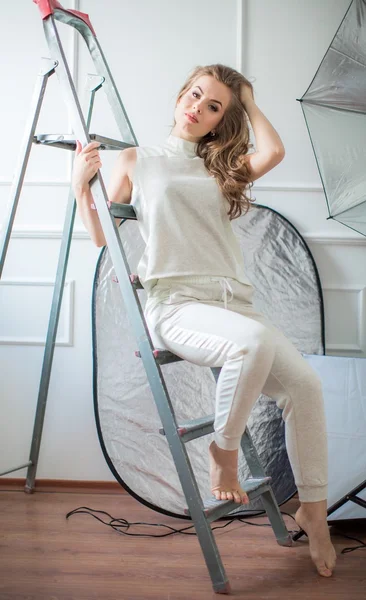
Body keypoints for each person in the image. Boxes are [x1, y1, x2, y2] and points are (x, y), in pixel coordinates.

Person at [72, 64, 337, 578]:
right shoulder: (136, 159)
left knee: (305, 388)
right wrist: (82, 187)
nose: (198, 107)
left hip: (232, 307)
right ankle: (224, 449)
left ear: (221, 120)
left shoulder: (220, 167)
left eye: (214, 106)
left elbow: (275, 152)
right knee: (253, 344)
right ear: (180, 96)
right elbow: (106, 239)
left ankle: (315, 513)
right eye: (195, 95)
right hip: (175, 306)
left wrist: (248, 100)